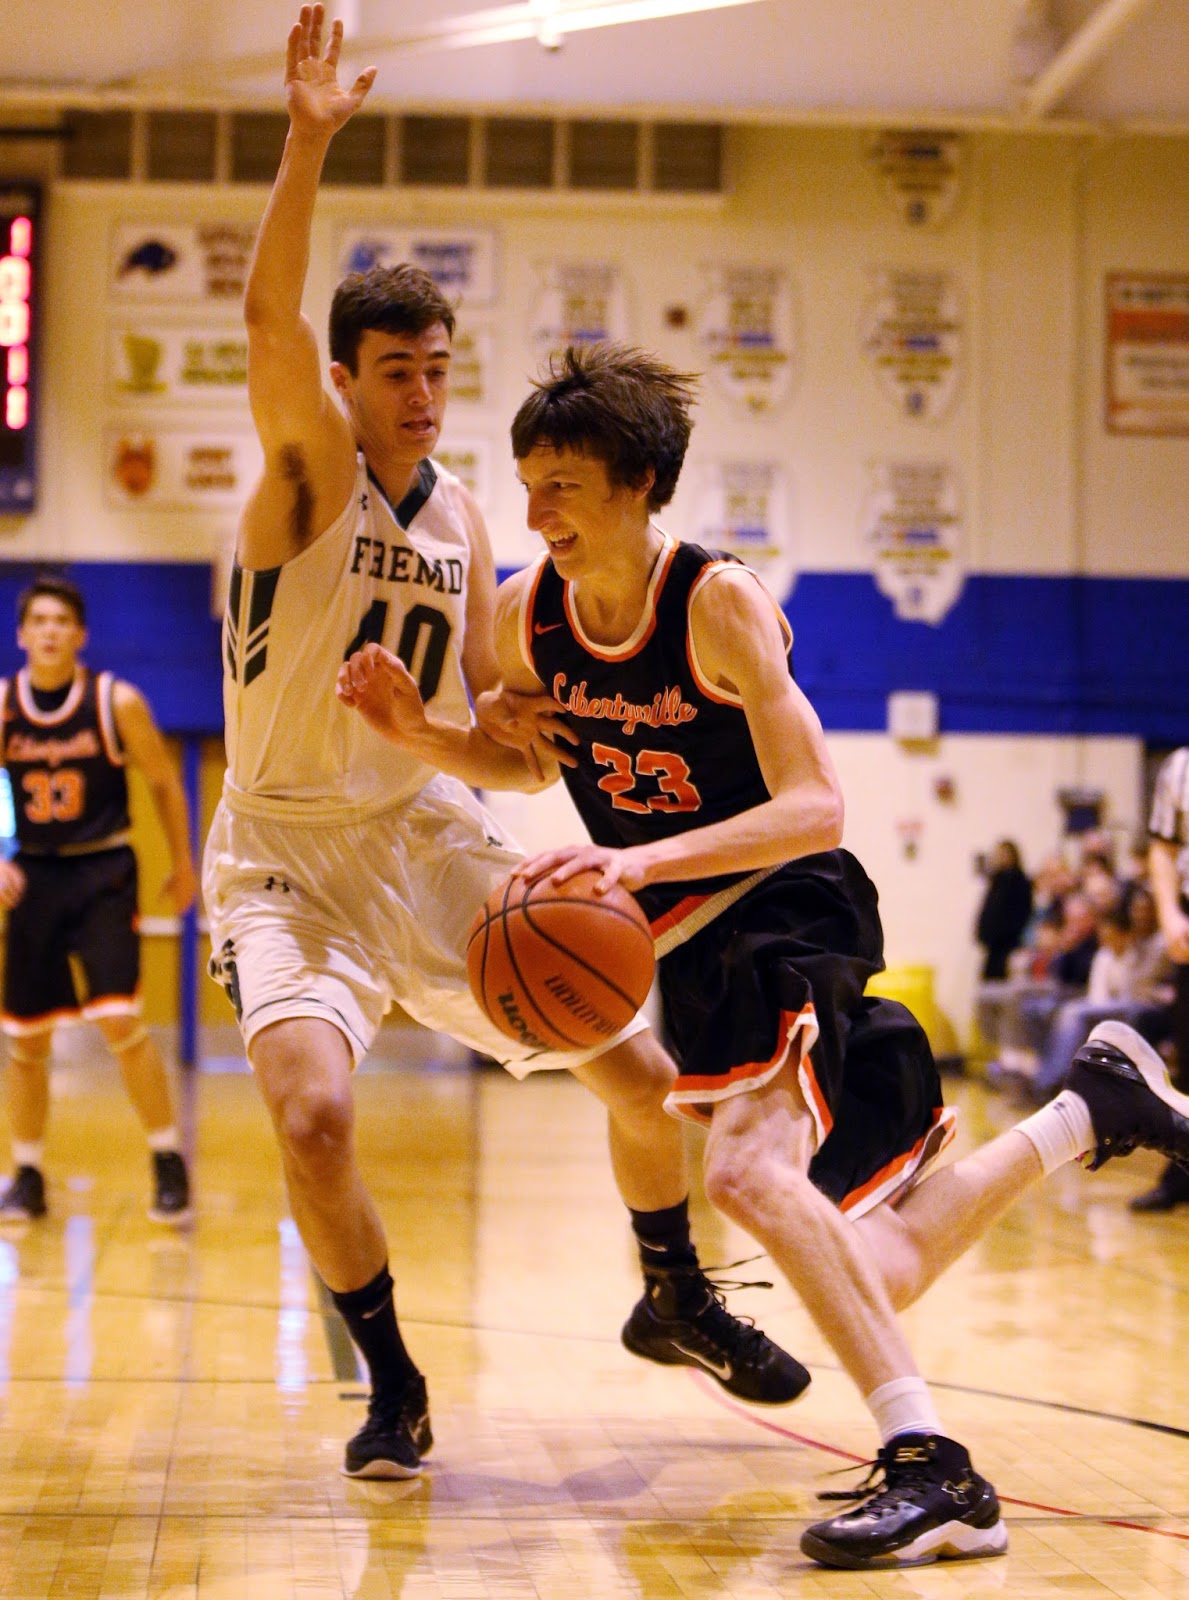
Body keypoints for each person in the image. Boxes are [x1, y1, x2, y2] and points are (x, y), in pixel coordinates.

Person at [339, 341, 1189, 1569]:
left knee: (740, 1174)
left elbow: (818, 805)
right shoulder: (530, 613)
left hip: (790, 907)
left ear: (637, 481)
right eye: (526, 486)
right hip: (691, 948)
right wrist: (420, 731)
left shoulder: (717, 603)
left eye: (563, 486)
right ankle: (1088, 1106)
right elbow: (536, 760)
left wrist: (633, 864)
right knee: (876, 1268)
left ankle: (934, 1468)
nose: (538, 514)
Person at [204, 5, 804, 1486]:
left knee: (645, 1077)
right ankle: (394, 1379)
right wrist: (304, 140)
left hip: (420, 844)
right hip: (280, 855)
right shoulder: (306, 482)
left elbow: (508, 753)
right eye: (395, 367)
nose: (423, 388)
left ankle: (668, 1290)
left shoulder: (473, 520)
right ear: (346, 383)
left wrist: (452, 734)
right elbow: (267, 321)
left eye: (435, 365)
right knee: (316, 1115)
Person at [0, 575, 196, 1224]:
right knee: (26, 1038)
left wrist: (185, 863)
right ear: (22, 634)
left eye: (63, 621)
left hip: (102, 871)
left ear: (80, 636)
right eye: (40, 621)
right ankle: (25, 1173)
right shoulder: (4, 705)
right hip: (33, 875)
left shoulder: (116, 701)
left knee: (119, 1020)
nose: (51, 631)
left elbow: (165, 783)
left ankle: (167, 1158)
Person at [1130, 747, 1189, 1212]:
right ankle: (1182, 1172)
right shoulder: (1180, 766)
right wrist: (1169, 913)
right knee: (1188, 1056)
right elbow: (1164, 849)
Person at [974, 839, 1032, 980]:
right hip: (992, 944)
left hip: (1009, 944)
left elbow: (1022, 913)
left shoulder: (1020, 882)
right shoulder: (996, 881)